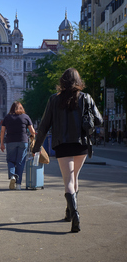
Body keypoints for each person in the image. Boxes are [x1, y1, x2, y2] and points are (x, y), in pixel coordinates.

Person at [32, 68, 103, 233]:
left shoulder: (54, 100)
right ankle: (69, 212)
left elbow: (43, 126)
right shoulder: (86, 98)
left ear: (62, 81)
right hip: (81, 144)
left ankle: (75, 213)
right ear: (79, 81)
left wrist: (36, 148)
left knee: (69, 181)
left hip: (62, 144)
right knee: (74, 177)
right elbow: (99, 120)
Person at [0, 101, 35, 190]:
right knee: (20, 162)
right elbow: (32, 131)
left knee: (10, 160)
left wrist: (1, 143)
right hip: (23, 141)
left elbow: (3, 131)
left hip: (10, 141)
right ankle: (18, 184)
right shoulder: (25, 117)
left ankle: (12, 176)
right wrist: (32, 136)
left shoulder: (7, 117)